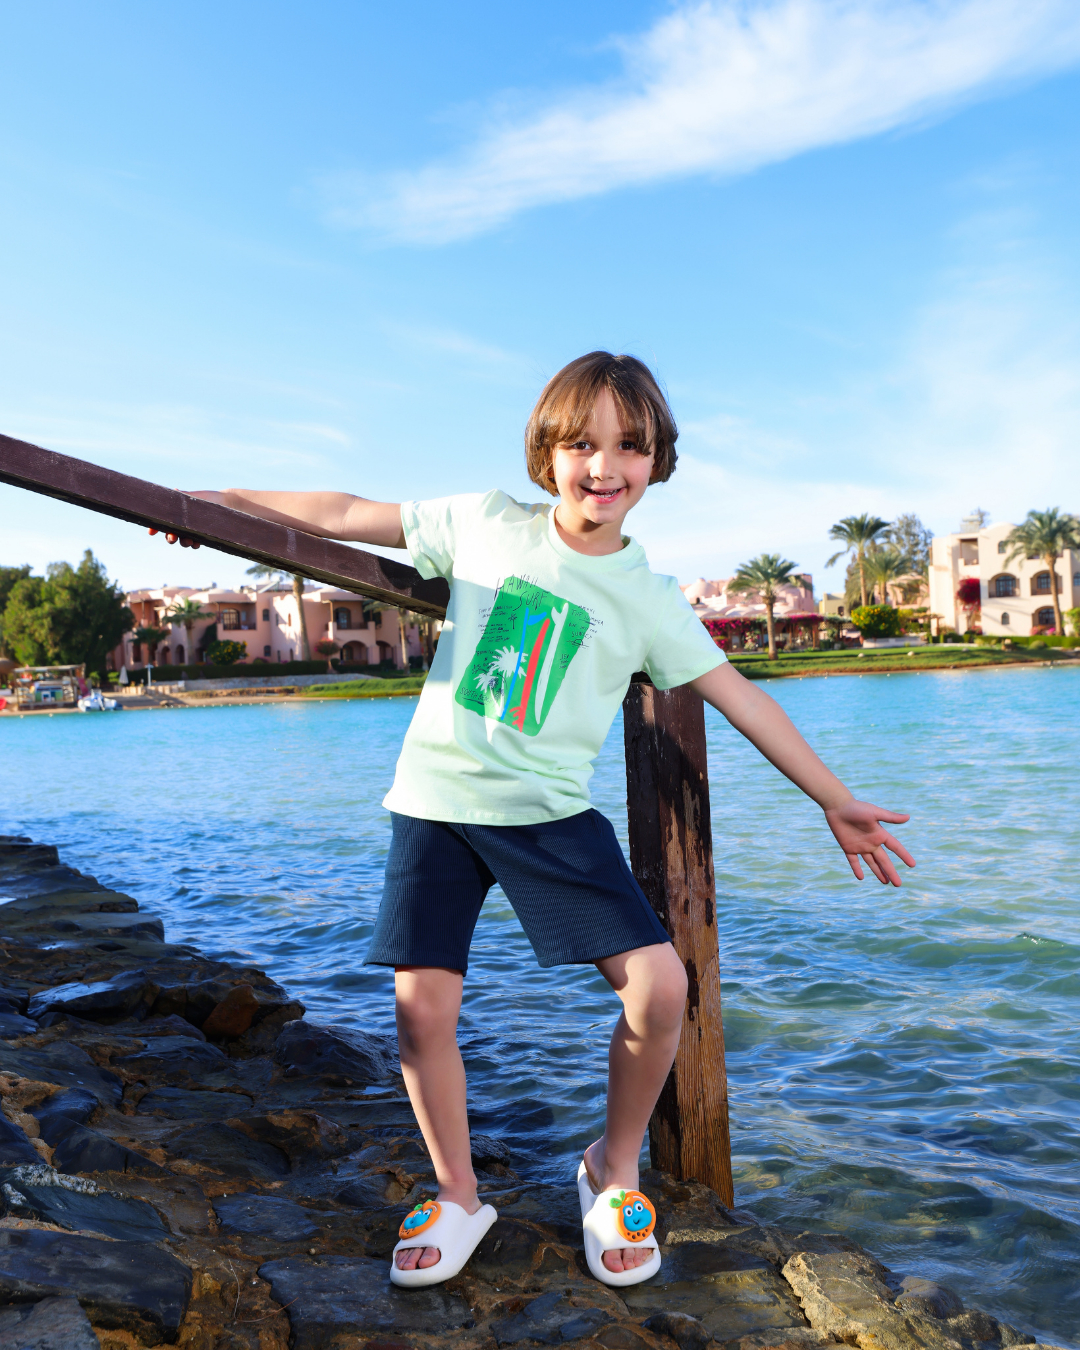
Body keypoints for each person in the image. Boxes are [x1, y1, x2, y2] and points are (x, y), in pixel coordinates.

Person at [152, 351, 914, 1289]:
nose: (605, 466)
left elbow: (741, 696)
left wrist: (833, 797)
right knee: (421, 1013)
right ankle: (457, 1192)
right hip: (435, 806)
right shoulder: (483, 523)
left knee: (660, 987)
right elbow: (346, 512)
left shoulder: (648, 597)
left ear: (657, 460)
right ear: (546, 452)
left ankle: (612, 1168)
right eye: (582, 444)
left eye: (629, 446)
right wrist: (217, 504)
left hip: (550, 816)